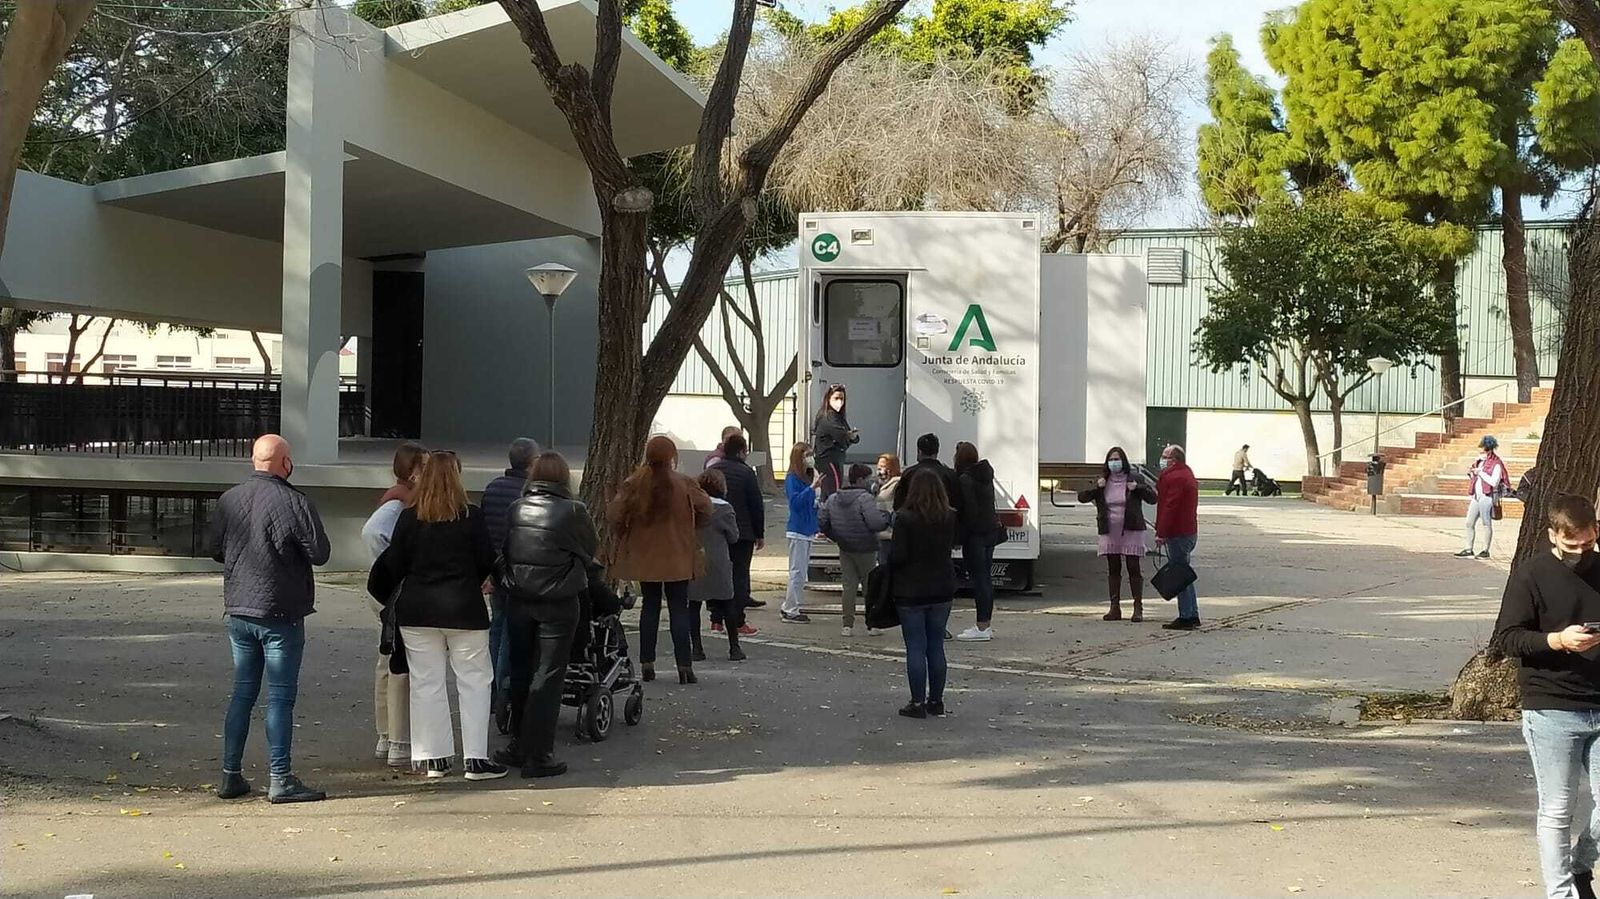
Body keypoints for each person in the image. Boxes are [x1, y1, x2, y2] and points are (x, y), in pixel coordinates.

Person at [367, 451, 505, 781]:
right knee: (474, 681)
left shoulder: (410, 517)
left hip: (418, 609)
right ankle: (476, 759)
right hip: (463, 607)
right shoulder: (470, 515)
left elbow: (394, 563)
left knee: (426, 683)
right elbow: (487, 559)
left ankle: (434, 759)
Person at [209, 434, 330, 803]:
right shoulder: (295, 501)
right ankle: (280, 778)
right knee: (279, 696)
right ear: (285, 463)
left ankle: (231, 775)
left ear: (254, 460)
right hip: (281, 611)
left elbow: (215, 550)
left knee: (242, 693)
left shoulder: (228, 499)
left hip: (239, 609)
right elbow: (320, 552)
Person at [1492, 493, 1600, 899]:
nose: (1580, 553)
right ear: (1553, 534)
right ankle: (1561, 893)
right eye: (1571, 546)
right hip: (1552, 707)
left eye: (1587, 545)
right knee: (1557, 809)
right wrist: (1557, 640)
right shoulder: (1532, 574)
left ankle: (1580, 864)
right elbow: (1506, 638)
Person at [493, 452, 598, 779]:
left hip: (520, 598)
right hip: (559, 599)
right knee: (549, 675)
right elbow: (590, 549)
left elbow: (507, 549)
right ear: (564, 478)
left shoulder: (516, 509)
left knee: (522, 671)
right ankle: (539, 753)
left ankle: (518, 742)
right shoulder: (574, 512)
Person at [608, 435, 713, 684]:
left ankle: (647, 662)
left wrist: (626, 533)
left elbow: (614, 514)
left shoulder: (634, 483)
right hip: (678, 554)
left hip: (646, 557)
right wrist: (692, 526)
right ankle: (684, 666)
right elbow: (707, 508)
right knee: (679, 608)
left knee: (650, 607)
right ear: (672, 457)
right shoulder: (684, 483)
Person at [360, 442, 429, 771]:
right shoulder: (400, 502)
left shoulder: (403, 499)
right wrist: (392, 567)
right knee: (396, 663)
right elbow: (373, 533)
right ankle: (394, 736)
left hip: (389, 591)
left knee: (388, 661)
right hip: (394, 594)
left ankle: (387, 735)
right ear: (414, 471)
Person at [889, 469, 958, 719]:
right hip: (942, 587)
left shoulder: (905, 518)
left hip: (911, 589)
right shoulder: (949, 517)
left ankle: (917, 702)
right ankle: (936, 701)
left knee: (915, 647)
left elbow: (898, 556)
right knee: (936, 646)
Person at [482, 437, 539, 730]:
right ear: (531, 462)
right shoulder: (527, 493)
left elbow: (486, 531)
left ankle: (490, 687)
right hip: (517, 571)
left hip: (494, 569)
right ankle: (502, 691)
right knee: (509, 634)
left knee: (496, 626)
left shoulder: (492, 488)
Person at [1079, 446, 1159, 623]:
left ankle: (1138, 608)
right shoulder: (1103, 480)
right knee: (1113, 568)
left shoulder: (1134, 478)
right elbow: (1082, 497)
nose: (1114, 463)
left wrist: (1138, 487)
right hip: (1110, 529)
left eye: (1117, 459)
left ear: (1123, 461)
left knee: (1133, 567)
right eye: (1111, 459)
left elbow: (1153, 499)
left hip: (1131, 528)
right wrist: (1096, 488)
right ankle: (1115, 607)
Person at [820, 463, 889, 637]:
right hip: (866, 547)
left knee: (848, 586)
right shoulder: (864, 499)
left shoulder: (834, 498)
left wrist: (836, 536)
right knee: (869, 587)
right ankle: (872, 624)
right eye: (867, 478)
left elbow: (822, 521)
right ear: (860, 480)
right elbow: (875, 523)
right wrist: (886, 517)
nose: (870, 481)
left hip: (845, 547)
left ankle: (847, 625)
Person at [688, 468, 748, 661]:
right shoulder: (724, 508)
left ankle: (696, 648)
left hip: (695, 558)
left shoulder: (692, 506)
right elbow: (733, 536)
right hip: (719, 561)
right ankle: (734, 648)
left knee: (694, 604)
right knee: (727, 600)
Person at [711, 433, 765, 629]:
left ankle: (716, 619)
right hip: (743, 533)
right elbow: (756, 504)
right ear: (742, 451)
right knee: (739, 576)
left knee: (717, 574)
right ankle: (738, 621)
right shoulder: (746, 472)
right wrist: (759, 534)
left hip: (716, 532)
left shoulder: (714, 469)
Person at [953, 441, 1002, 642]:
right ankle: (985, 624)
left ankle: (982, 627)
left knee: (979, 579)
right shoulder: (985, 476)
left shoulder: (965, 479)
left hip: (975, 536)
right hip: (990, 532)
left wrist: (959, 536)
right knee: (985, 579)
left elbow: (969, 511)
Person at [1155, 444, 1201, 631]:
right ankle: (1192, 613)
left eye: (1165, 456)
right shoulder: (1186, 474)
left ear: (1174, 459)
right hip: (1188, 531)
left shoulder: (1174, 478)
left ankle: (1186, 615)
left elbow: (1170, 507)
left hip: (1178, 533)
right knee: (1184, 573)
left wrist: (1161, 532)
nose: (1162, 459)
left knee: (1179, 575)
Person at [781, 441, 821, 624]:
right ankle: (791, 608)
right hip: (797, 530)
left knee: (801, 571)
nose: (810, 458)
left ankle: (792, 606)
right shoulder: (792, 479)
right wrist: (811, 488)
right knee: (796, 571)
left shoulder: (809, 476)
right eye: (806, 455)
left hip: (808, 529)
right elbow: (795, 503)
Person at [1458, 435, 1508, 560]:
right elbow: (1475, 479)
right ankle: (1468, 548)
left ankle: (1485, 550)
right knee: (1469, 522)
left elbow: (1494, 482)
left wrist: (1480, 472)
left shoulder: (1496, 464)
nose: (1482, 452)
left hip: (1487, 496)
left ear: (1490, 450)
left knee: (1486, 523)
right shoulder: (1479, 462)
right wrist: (1472, 473)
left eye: (1484, 450)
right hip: (1476, 495)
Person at [893, 433, 962, 517]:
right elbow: (958, 504)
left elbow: (898, 504)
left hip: (913, 524)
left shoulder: (909, 473)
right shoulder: (950, 474)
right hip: (942, 523)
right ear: (937, 451)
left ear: (919, 451)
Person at [812, 384, 860, 499]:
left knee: (831, 491)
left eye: (842, 399)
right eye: (836, 398)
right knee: (833, 493)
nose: (839, 402)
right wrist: (849, 438)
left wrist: (851, 437)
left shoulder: (838, 416)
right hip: (829, 460)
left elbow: (847, 434)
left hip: (835, 459)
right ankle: (829, 515)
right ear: (828, 398)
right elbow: (841, 437)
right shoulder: (828, 416)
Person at [873, 454, 903, 569]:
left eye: (883, 467)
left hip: (890, 535)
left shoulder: (897, 484)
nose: (880, 471)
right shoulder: (878, 486)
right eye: (878, 468)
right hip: (880, 535)